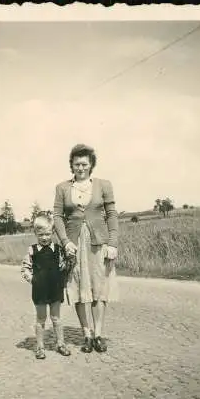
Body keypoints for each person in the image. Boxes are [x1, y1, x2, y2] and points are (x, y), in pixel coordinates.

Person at [53, 144, 119, 353]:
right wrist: (65, 242)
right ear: (71, 166)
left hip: (98, 244)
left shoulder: (103, 185)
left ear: (91, 165)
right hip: (74, 245)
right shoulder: (62, 188)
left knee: (99, 288)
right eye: (76, 164)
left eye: (84, 164)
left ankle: (98, 334)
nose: (80, 167)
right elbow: (57, 217)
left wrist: (113, 243)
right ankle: (87, 335)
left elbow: (112, 215)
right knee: (79, 289)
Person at [21, 211, 71, 360]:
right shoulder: (32, 250)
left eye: (48, 234)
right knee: (41, 319)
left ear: (52, 233)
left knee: (56, 318)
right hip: (40, 290)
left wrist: (67, 265)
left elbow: (62, 266)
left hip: (55, 289)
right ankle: (40, 347)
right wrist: (33, 280)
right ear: (36, 233)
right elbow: (25, 269)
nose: (44, 238)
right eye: (41, 235)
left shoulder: (58, 249)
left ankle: (60, 344)